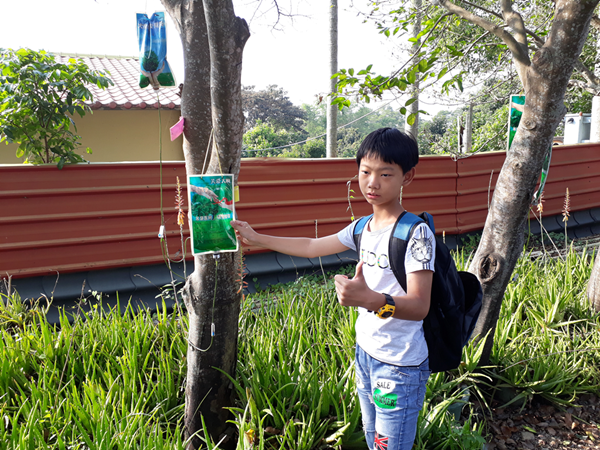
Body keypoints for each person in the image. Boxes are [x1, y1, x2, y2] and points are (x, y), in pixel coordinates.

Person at [231, 127, 435, 450]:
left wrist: (370, 299)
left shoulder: (416, 233)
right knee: (374, 440)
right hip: (365, 355)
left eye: (385, 173)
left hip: (398, 364)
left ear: (406, 177)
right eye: (365, 172)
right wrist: (258, 238)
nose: (373, 182)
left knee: (390, 447)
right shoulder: (361, 229)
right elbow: (312, 245)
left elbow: (420, 305)